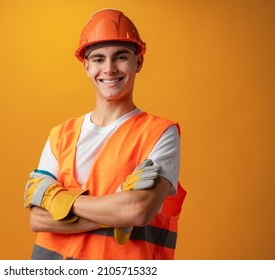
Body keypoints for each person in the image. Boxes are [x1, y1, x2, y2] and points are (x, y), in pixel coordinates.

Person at [24, 8, 186, 260]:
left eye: (120, 57)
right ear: (86, 66)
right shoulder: (60, 135)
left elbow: (138, 210)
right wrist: (116, 211)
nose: (109, 69)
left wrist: (57, 200)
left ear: (138, 62)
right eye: (98, 59)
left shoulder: (160, 133)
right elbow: (37, 218)